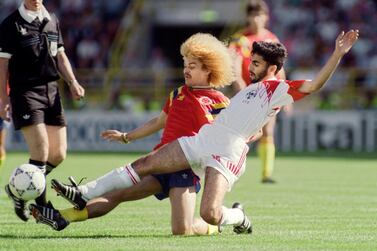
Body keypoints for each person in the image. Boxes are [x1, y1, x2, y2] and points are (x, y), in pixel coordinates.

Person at [31, 30, 359, 233]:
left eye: (257, 63)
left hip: (227, 151)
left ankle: (238, 217)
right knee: (145, 163)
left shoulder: (279, 88)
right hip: (205, 140)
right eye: (252, 61)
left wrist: (338, 54)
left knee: (209, 214)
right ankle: (83, 193)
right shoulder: (246, 91)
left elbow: (315, 85)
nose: (251, 66)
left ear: (272, 67)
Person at [31, 33, 233, 234]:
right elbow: (159, 122)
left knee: (182, 230)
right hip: (160, 161)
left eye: (192, 66)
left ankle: (214, 226)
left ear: (209, 69)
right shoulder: (177, 93)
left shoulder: (218, 100)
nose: (186, 70)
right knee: (117, 194)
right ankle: (62, 216)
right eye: (185, 64)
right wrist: (127, 136)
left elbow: (228, 135)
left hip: (185, 168)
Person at [0, 0, 85, 221]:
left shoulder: (52, 19)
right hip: (25, 92)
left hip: (52, 91)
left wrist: (73, 82)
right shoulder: (11, 23)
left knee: (59, 154)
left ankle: (17, 189)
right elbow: (2, 65)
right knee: (41, 152)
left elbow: (60, 55)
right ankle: (42, 209)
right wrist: (2, 98)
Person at [229, 0, 286, 183]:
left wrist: (285, 95)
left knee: (268, 131)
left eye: (259, 15)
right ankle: (228, 168)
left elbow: (280, 70)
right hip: (247, 93)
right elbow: (235, 70)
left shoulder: (272, 38)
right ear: (247, 17)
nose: (256, 19)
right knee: (239, 134)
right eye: (252, 15)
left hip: (268, 93)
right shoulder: (240, 39)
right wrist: (245, 95)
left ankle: (266, 174)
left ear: (266, 17)